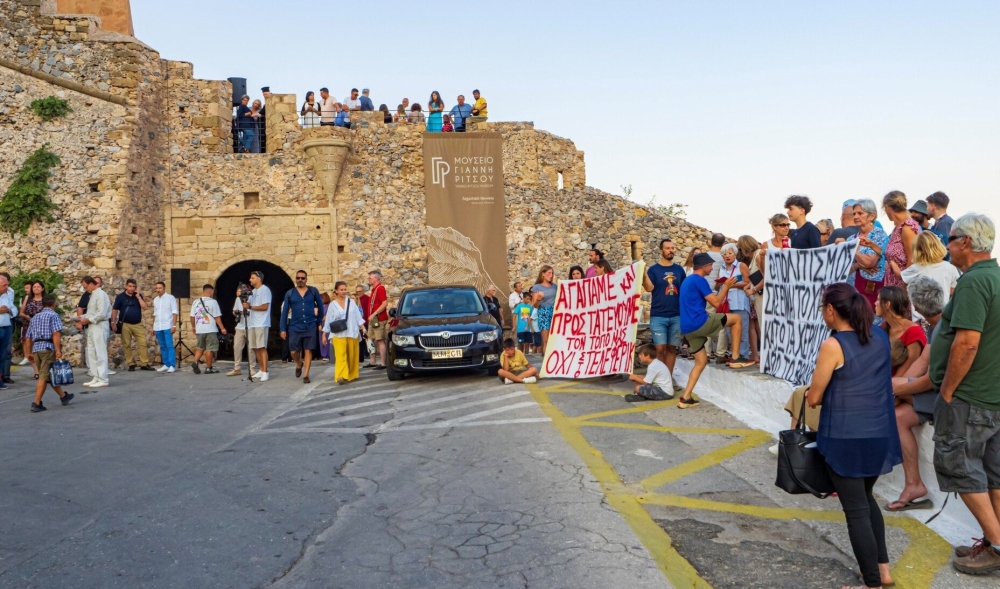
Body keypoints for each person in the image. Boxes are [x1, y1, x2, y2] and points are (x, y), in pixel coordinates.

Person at [805, 283, 901, 589]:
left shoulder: (832, 346)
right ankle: (882, 571)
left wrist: (811, 391)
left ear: (831, 311)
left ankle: (872, 583)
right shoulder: (881, 338)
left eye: (823, 309)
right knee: (866, 501)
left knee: (856, 511)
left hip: (846, 437)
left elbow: (814, 397)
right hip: (879, 434)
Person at [930, 213, 1000, 574]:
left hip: (970, 398)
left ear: (966, 242)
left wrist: (947, 390)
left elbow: (968, 343)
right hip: (992, 396)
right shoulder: (996, 277)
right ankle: (994, 541)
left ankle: (998, 547)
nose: (947, 246)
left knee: (961, 467)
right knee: (993, 473)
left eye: (951, 239)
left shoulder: (974, 282)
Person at [887, 276, 944, 512]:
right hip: (934, 390)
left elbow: (932, 380)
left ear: (917, 307)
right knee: (897, 414)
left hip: (947, 397)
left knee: (891, 397)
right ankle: (914, 485)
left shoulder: (942, 328)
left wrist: (899, 388)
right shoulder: (935, 324)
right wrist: (899, 384)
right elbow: (922, 362)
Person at [677, 253, 745, 409]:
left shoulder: (687, 281)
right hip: (699, 323)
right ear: (703, 266)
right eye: (710, 265)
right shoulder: (699, 280)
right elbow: (715, 303)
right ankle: (735, 357)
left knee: (700, 362)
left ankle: (686, 398)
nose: (712, 268)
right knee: (736, 319)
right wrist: (726, 287)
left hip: (687, 328)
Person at [644, 238, 686, 378]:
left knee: (672, 348)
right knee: (660, 348)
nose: (671, 250)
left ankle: (668, 378)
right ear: (661, 251)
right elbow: (649, 288)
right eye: (667, 248)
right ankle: (661, 377)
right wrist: (643, 273)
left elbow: (685, 290)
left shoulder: (679, 270)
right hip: (658, 315)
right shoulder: (654, 270)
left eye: (672, 248)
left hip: (676, 314)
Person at [25, 295, 74, 412]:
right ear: (53, 304)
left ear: (42, 304)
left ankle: (63, 396)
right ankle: (36, 403)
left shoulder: (35, 317)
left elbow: (28, 337)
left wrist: (28, 352)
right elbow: (56, 333)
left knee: (48, 374)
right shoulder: (53, 315)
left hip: (36, 348)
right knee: (43, 376)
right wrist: (58, 350)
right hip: (47, 347)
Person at [280, 270, 323, 384]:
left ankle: (306, 374)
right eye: (298, 278)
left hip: (310, 325)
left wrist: (318, 322)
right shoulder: (290, 293)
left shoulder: (313, 291)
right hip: (295, 326)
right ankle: (299, 363)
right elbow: (284, 312)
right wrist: (282, 328)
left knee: (308, 350)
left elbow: (321, 306)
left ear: (306, 279)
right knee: (293, 351)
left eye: (302, 278)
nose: (300, 280)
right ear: (296, 279)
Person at [323, 281, 367, 385]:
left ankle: (352, 375)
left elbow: (357, 317)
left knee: (352, 355)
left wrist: (363, 328)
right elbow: (328, 319)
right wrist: (324, 334)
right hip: (338, 333)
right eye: (341, 290)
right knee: (341, 355)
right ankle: (341, 376)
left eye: (345, 289)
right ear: (336, 291)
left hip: (352, 332)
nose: (343, 291)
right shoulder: (332, 305)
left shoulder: (351, 302)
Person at [876, 286, 926, 376]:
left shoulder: (913, 332)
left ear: (887, 305)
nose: (875, 303)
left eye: (878, 300)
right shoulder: (884, 327)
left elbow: (906, 372)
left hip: (898, 384)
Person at [900, 231, 960, 305]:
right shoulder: (950, 267)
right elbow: (954, 291)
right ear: (939, 246)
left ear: (916, 251)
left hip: (919, 313)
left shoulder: (915, 268)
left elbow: (905, 287)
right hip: (942, 312)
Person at [851, 199, 890, 310]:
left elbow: (869, 262)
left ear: (871, 216)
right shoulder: (852, 238)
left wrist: (852, 250)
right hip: (854, 292)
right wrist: (858, 265)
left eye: (860, 213)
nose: (855, 216)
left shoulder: (879, 235)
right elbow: (843, 269)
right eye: (854, 214)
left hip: (873, 291)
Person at [719, 243, 753, 366]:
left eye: (730, 253)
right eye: (724, 254)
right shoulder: (722, 267)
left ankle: (743, 355)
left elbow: (748, 282)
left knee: (742, 331)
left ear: (735, 254)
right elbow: (719, 285)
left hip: (740, 302)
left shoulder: (741, 266)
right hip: (727, 303)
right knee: (729, 332)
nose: (727, 256)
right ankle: (735, 355)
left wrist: (732, 285)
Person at [112, 278, 153, 372]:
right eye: (130, 286)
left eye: (134, 287)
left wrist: (138, 297)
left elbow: (145, 307)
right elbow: (115, 310)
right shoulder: (120, 297)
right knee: (126, 344)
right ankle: (131, 363)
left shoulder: (138, 296)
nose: (132, 288)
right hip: (125, 324)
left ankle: (144, 363)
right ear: (126, 286)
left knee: (143, 343)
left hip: (137, 324)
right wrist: (113, 322)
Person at [77, 277, 110, 388]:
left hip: (99, 325)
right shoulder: (93, 295)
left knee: (100, 351)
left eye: (86, 287)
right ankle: (96, 376)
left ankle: (103, 378)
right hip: (92, 325)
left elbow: (102, 313)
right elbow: (92, 313)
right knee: (91, 351)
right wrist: (81, 317)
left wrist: (88, 319)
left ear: (91, 284)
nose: (86, 289)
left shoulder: (101, 295)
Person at [882, 191, 921, 289]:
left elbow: (912, 260)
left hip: (902, 288)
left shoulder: (907, 228)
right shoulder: (898, 227)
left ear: (887, 208)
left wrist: (904, 289)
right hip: (894, 286)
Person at [189, 284, 226, 374]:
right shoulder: (213, 302)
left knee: (200, 348)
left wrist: (193, 327)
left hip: (200, 329)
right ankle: (208, 368)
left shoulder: (195, 302)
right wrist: (222, 328)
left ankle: (195, 362)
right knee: (210, 348)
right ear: (211, 291)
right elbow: (217, 317)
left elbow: (192, 316)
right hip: (210, 329)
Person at [245, 271, 272, 381]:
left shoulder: (264, 289)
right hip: (253, 323)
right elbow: (247, 306)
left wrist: (250, 307)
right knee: (255, 347)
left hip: (262, 322)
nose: (250, 280)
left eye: (252, 278)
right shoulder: (253, 291)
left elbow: (265, 307)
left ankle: (265, 371)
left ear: (259, 279)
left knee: (261, 347)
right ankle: (261, 369)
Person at [227, 285, 257, 377]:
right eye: (238, 291)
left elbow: (254, 311)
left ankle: (252, 369)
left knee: (251, 348)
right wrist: (236, 312)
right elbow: (234, 310)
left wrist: (245, 312)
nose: (238, 293)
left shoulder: (252, 298)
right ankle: (237, 368)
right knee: (237, 347)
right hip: (240, 326)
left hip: (250, 325)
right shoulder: (237, 299)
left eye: (240, 291)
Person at [151, 281, 178, 373]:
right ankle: (166, 364)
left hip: (167, 325)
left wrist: (174, 325)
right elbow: (155, 314)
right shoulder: (155, 300)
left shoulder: (171, 298)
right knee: (162, 346)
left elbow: (174, 312)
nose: (158, 290)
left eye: (160, 288)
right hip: (158, 326)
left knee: (169, 345)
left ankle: (172, 365)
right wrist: (153, 326)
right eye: (157, 288)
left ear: (164, 288)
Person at [365, 270, 389, 370]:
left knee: (380, 340)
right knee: (369, 338)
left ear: (376, 278)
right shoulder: (374, 289)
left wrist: (374, 313)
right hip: (373, 319)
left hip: (378, 319)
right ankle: (373, 361)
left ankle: (383, 363)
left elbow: (384, 303)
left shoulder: (380, 289)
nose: (368, 279)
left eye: (370, 278)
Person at [533, 266, 558, 353]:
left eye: (552, 273)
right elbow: (535, 305)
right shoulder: (537, 287)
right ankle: (546, 362)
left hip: (555, 312)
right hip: (543, 312)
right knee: (546, 340)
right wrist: (539, 299)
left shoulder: (555, 286)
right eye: (549, 273)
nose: (551, 275)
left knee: (554, 340)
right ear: (543, 274)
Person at [0, 274, 13, 389]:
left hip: (6, 327)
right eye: (5, 285)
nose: (7, 287)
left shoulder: (6, 296)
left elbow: (14, 309)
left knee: (2, 355)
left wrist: (8, 310)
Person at [355, 284, 371, 365]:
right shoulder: (355, 300)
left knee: (366, 338)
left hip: (366, 322)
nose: (358, 293)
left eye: (360, 291)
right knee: (360, 339)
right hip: (358, 324)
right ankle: (363, 354)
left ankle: (368, 353)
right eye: (357, 291)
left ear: (363, 291)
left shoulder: (367, 299)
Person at [319, 292, 332, 363]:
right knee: (322, 340)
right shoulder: (320, 307)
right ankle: (324, 354)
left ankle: (328, 354)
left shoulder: (329, 306)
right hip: (321, 324)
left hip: (327, 324)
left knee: (327, 339)